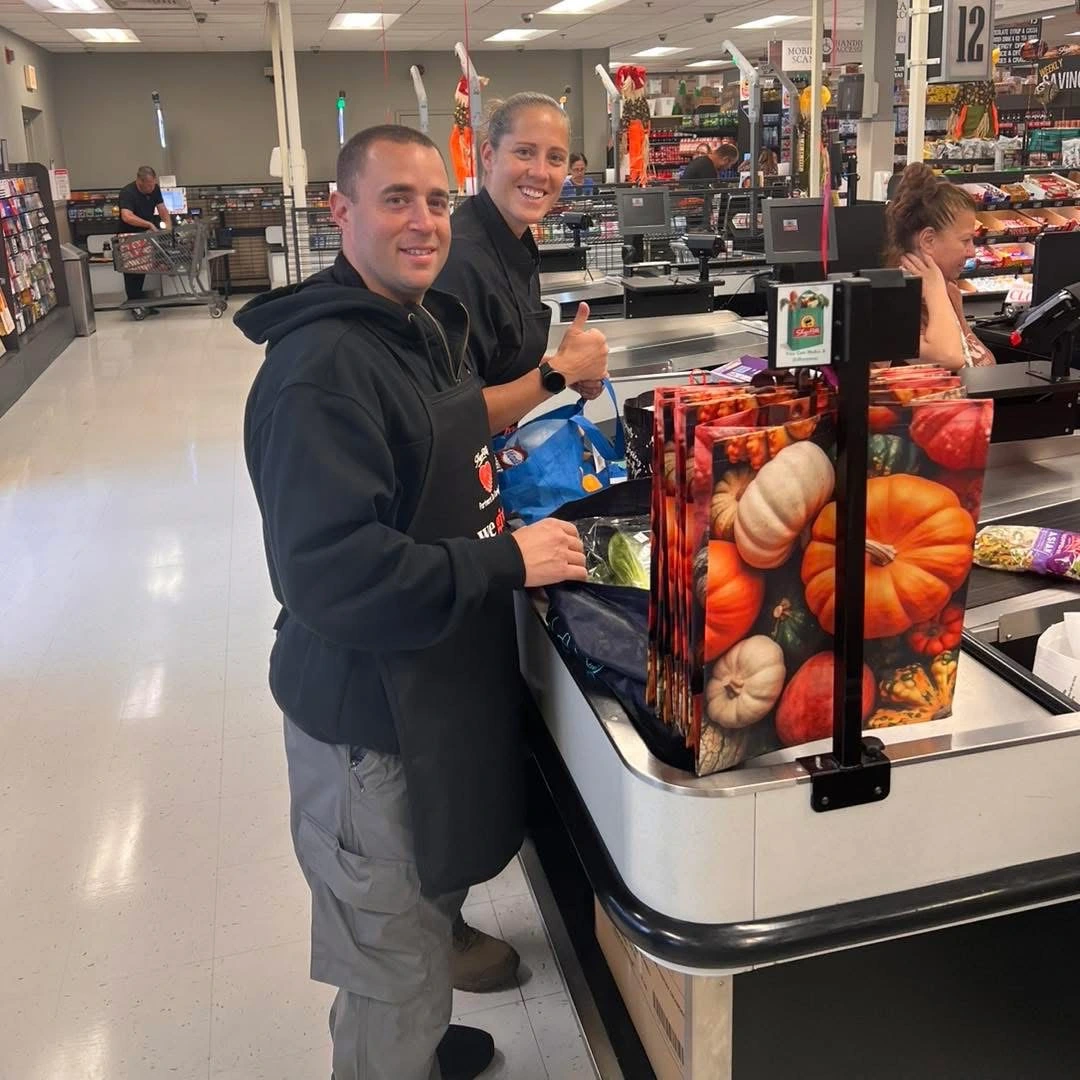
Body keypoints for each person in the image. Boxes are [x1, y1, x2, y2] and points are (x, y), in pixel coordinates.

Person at [236, 124, 589, 1080]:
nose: (425, 222)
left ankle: (421, 1045)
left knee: (424, 905)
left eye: (435, 200)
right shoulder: (318, 376)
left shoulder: (414, 325)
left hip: (423, 693)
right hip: (365, 723)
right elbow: (332, 577)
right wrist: (503, 562)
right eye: (395, 200)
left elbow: (441, 433)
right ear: (339, 213)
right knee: (387, 962)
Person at [436, 92, 610, 437]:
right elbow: (451, 417)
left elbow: (491, 367)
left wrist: (571, 370)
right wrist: (556, 374)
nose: (540, 172)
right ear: (488, 154)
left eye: (555, 157)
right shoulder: (459, 259)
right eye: (524, 152)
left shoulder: (514, 243)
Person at [885, 163, 995, 370]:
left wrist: (957, 314)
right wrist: (936, 291)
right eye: (965, 240)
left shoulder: (948, 292)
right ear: (928, 240)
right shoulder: (894, 304)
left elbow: (985, 365)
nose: (972, 252)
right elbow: (950, 358)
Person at [117, 165, 170, 319]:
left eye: (153, 184)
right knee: (132, 271)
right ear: (139, 181)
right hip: (129, 237)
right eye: (148, 185)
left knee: (142, 270)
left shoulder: (155, 189)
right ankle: (135, 304)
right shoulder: (127, 193)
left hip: (145, 236)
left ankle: (140, 303)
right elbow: (126, 216)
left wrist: (168, 229)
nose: (152, 188)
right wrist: (148, 224)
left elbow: (162, 209)